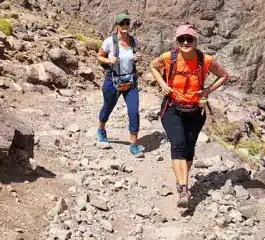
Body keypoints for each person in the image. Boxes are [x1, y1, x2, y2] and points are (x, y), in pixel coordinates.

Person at [149, 24, 230, 209]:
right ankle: (184, 189)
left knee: (189, 149)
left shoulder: (206, 60)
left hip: (195, 111)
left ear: (195, 41)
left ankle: (181, 178)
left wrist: (208, 90)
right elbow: (153, 66)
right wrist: (162, 83)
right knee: (178, 144)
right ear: (177, 41)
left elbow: (224, 75)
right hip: (172, 108)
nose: (185, 42)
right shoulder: (170, 57)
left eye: (189, 39)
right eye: (181, 39)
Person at [96, 12, 144, 157]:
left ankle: (134, 144)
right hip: (113, 81)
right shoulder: (109, 41)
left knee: (134, 111)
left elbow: (133, 58)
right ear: (117, 26)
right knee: (108, 107)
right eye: (121, 23)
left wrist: (137, 58)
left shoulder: (134, 41)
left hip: (130, 81)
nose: (125, 26)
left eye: (127, 23)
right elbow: (99, 56)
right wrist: (108, 61)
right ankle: (101, 130)